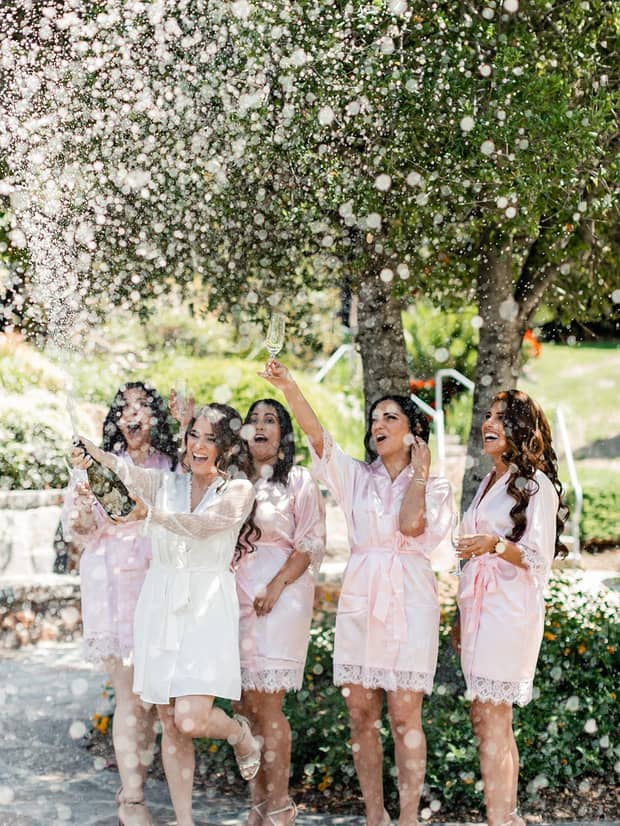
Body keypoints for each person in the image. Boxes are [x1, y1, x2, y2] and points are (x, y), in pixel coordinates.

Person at [261, 360, 452, 826]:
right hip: (362, 597)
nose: (378, 425)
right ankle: (374, 815)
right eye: (374, 418)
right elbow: (318, 436)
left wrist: (421, 471)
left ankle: (407, 818)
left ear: (414, 433)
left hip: (409, 601)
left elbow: (412, 525)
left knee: (406, 717)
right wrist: (289, 385)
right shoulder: (356, 479)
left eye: (391, 417)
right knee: (361, 714)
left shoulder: (437, 488)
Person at [70, 404, 263, 826]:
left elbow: (205, 525)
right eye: (194, 434)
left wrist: (151, 516)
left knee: (190, 718)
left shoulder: (238, 490)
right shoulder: (167, 484)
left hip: (206, 605)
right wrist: (91, 454)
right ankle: (184, 820)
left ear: (227, 448)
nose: (198, 444)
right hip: (159, 601)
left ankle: (238, 733)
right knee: (169, 723)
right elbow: (123, 469)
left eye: (210, 438)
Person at [62, 382, 178, 826]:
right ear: (116, 419)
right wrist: (83, 507)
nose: (133, 415)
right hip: (113, 582)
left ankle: (136, 785)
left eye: (143, 407)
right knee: (132, 694)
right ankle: (133, 798)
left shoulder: (172, 466)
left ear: (154, 418)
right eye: (124, 408)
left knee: (156, 697)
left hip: (162, 581)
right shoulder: (95, 465)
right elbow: (81, 529)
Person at [454, 390, 568, 826]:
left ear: (521, 429)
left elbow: (539, 556)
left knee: (493, 717)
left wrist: (495, 545)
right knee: (487, 719)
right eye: (488, 415)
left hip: (509, 612)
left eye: (502, 418)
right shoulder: (489, 481)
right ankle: (509, 817)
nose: (490, 423)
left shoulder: (535, 485)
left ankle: (498, 821)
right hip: (480, 608)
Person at [235, 398, 325, 826]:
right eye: (252, 420)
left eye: (269, 420)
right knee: (243, 706)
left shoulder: (299, 481)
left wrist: (274, 585)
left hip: (280, 597)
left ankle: (280, 804)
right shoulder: (232, 482)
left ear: (282, 433)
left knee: (269, 706)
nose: (259, 426)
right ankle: (257, 801)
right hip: (234, 599)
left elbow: (309, 544)